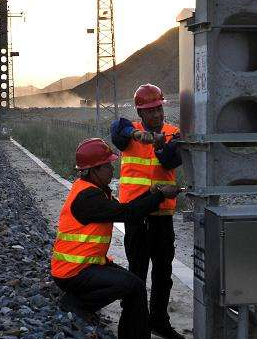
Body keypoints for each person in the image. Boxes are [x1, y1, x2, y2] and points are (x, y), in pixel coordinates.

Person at [50, 138, 181, 339]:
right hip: (74, 272)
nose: (113, 169)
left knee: (134, 284)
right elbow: (128, 214)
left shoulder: (91, 190)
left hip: (83, 266)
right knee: (134, 286)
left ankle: (128, 331)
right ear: (94, 170)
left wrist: (150, 192)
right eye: (108, 165)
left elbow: (124, 209)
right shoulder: (89, 198)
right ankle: (78, 303)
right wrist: (160, 196)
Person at [110, 83, 184, 339]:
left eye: (159, 109)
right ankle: (134, 325)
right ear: (140, 113)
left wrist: (161, 144)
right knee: (137, 272)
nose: (156, 115)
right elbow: (116, 128)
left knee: (163, 273)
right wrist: (136, 134)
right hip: (136, 216)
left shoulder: (173, 133)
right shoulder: (129, 132)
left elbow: (172, 160)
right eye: (150, 111)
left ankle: (159, 322)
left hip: (163, 215)